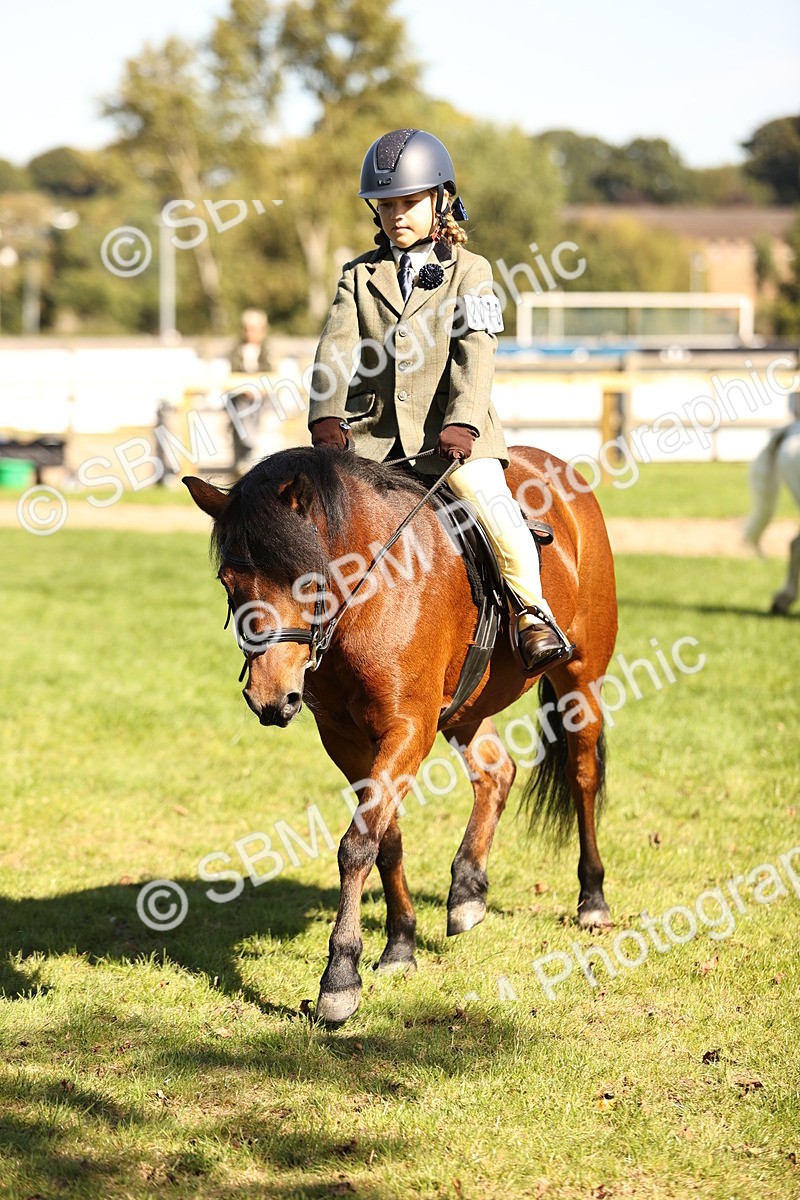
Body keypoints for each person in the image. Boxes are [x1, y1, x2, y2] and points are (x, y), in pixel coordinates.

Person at [307, 128, 569, 674]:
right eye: (386, 206)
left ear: (440, 202)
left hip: (454, 440)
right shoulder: (358, 275)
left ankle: (533, 614)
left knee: (496, 511)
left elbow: (477, 352)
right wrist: (326, 413)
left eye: (409, 203)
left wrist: (464, 422)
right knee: (312, 516)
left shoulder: (471, 272)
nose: (396, 215)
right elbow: (334, 348)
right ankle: (304, 632)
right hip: (373, 439)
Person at [228, 308, 273, 475]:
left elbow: (273, 376)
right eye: (247, 328)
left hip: (263, 399)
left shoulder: (268, 351)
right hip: (241, 399)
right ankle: (246, 454)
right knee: (240, 411)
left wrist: (259, 390)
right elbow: (232, 376)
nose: (250, 333)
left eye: (254, 328)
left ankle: (253, 454)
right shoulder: (237, 351)